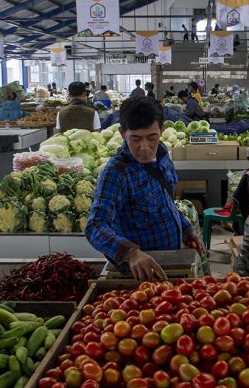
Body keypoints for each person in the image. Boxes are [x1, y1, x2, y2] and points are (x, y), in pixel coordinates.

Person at [86, 97, 203, 280]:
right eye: (135, 139)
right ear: (123, 133)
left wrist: (186, 228)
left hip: (171, 261)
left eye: (151, 138)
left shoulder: (163, 154)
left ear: (161, 131)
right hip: (141, 276)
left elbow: (164, 201)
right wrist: (130, 253)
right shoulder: (116, 173)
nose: (144, 147)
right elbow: (95, 225)